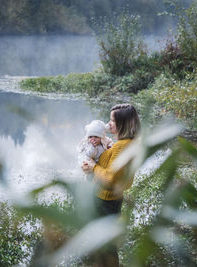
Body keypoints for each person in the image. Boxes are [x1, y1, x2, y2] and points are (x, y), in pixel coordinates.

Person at [81, 103, 140, 266]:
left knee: (105, 245)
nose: (109, 124)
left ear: (123, 123)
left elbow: (111, 179)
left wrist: (94, 167)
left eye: (112, 120)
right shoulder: (124, 143)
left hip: (106, 202)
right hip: (109, 200)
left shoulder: (122, 146)